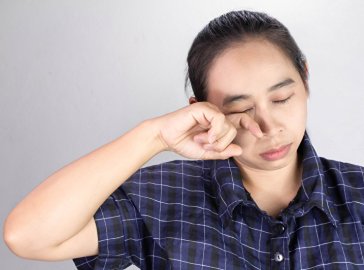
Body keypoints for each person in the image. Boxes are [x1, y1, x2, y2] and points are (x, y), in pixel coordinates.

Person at [4, 10, 364, 270]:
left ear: (305, 78)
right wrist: (154, 136)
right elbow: (28, 236)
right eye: (240, 109)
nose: (267, 126)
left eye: (281, 99)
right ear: (201, 109)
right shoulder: (161, 196)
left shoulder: (359, 194)